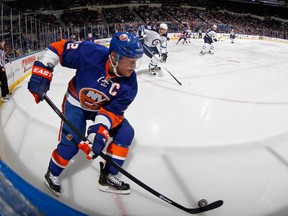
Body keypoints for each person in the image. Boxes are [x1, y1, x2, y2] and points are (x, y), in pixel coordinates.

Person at [27, 32, 144, 196]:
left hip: (100, 109)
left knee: (125, 133)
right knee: (69, 147)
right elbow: (57, 48)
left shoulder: (130, 84)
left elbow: (112, 111)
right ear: (114, 57)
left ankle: (108, 176)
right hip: (76, 105)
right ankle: (52, 173)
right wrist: (43, 72)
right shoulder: (90, 53)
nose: (134, 66)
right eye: (130, 61)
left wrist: (99, 132)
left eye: (135, 61)